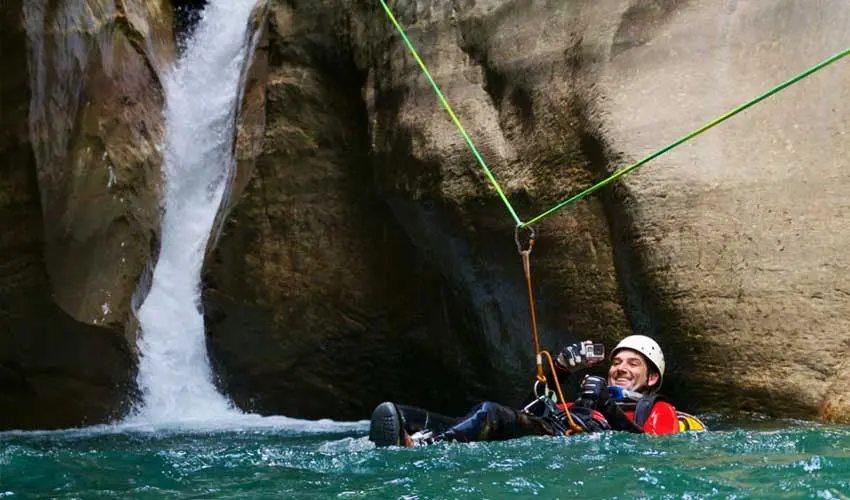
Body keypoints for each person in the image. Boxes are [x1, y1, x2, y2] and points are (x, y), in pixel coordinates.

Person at [368, 335, 686, 447]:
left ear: (651, 378)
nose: (620, 368)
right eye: (616, 362)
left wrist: (608, 407)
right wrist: (560, 369)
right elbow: (528, 411)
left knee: (489, 413)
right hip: (557, 430)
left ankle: (425, 447)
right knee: (406, 415)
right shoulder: (583, 402)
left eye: (632, 363)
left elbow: (652, 449)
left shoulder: (656, 409)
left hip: (566, 440)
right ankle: (406, 427)